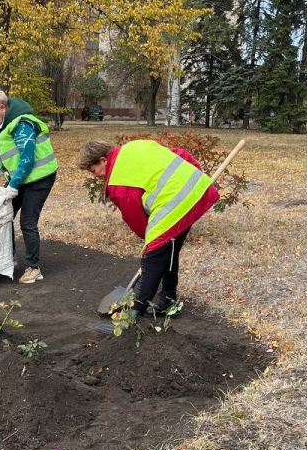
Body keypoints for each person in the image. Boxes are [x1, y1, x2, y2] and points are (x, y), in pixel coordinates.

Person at [76, 139, 220, 334]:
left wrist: (151, 243)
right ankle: (167, 301)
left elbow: (136, 219)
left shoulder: (118, 183)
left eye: (94, 171)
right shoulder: (135, 146)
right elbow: (179, 153)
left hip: (174, 201)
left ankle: (134, 314)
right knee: (169, 250)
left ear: (103, 160)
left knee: (154, 257)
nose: (95, 177)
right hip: (196, 190)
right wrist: (194, 178)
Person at [0, 87, 59, 284]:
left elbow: (27, 159)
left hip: (40, 177)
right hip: (20, 177)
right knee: (4, 216)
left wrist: (13, 186)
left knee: (27, 221)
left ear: (2, 107)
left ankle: (34, 268)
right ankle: (7, 258)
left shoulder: (22, 124)